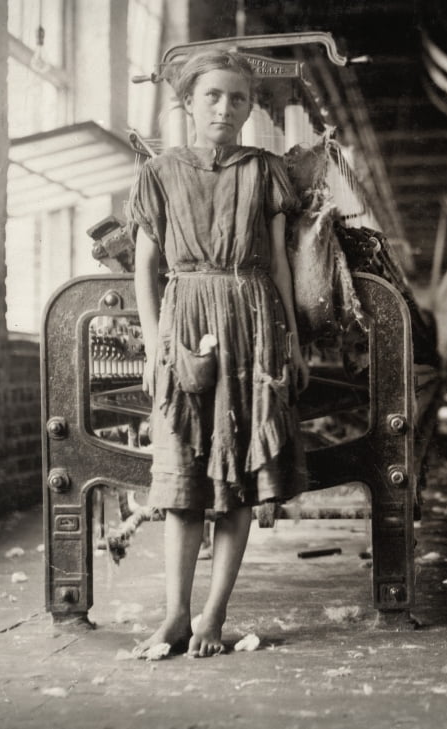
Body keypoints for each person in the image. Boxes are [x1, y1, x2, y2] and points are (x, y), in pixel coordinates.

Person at [129, 49, 310, 657]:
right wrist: (156, 346)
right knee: (182, 478)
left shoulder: (266, 171)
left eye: (237, 98)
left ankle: (212, 614)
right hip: (184, 317)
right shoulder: (159, 173)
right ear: (187, 103)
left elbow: (282, 262)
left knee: (238, 476)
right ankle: (176, 614)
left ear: (250, 107)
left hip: (253, 322)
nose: (225, 108)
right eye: (212, 96)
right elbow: (146, 268)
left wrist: (290, 339)